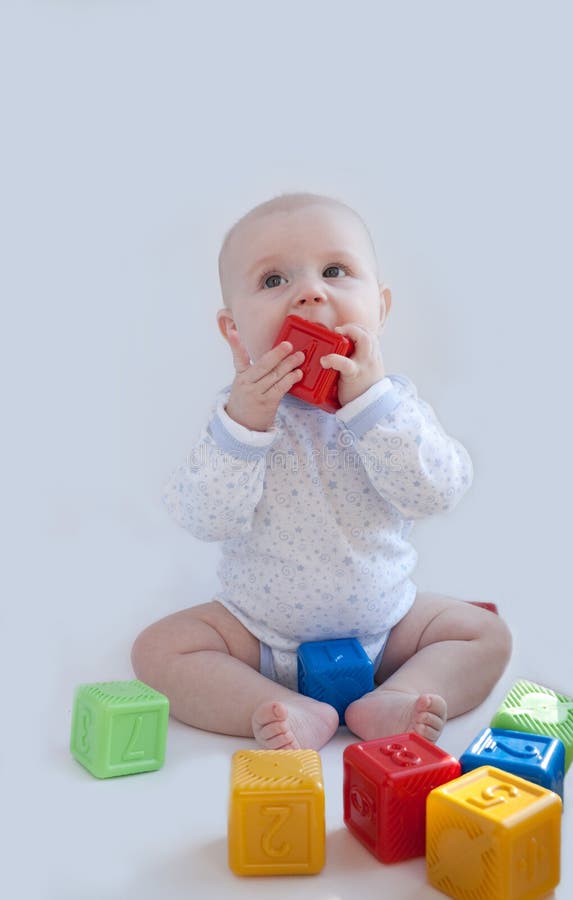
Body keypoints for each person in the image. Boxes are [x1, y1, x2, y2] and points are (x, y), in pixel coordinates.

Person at [131, 191, 512, 751]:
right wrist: (244, 429)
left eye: (335, 270)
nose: (311, 292)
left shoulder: (393, 407)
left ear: (379, 311)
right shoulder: (235, 419)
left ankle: (394, 697)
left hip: (387, 630)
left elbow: (437, 492)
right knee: (157, 649)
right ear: (234, 332)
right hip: (259, 637)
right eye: (272, 281)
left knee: (486, 634)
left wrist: (371, 405)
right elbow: (204, 517)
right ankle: (273, 703)